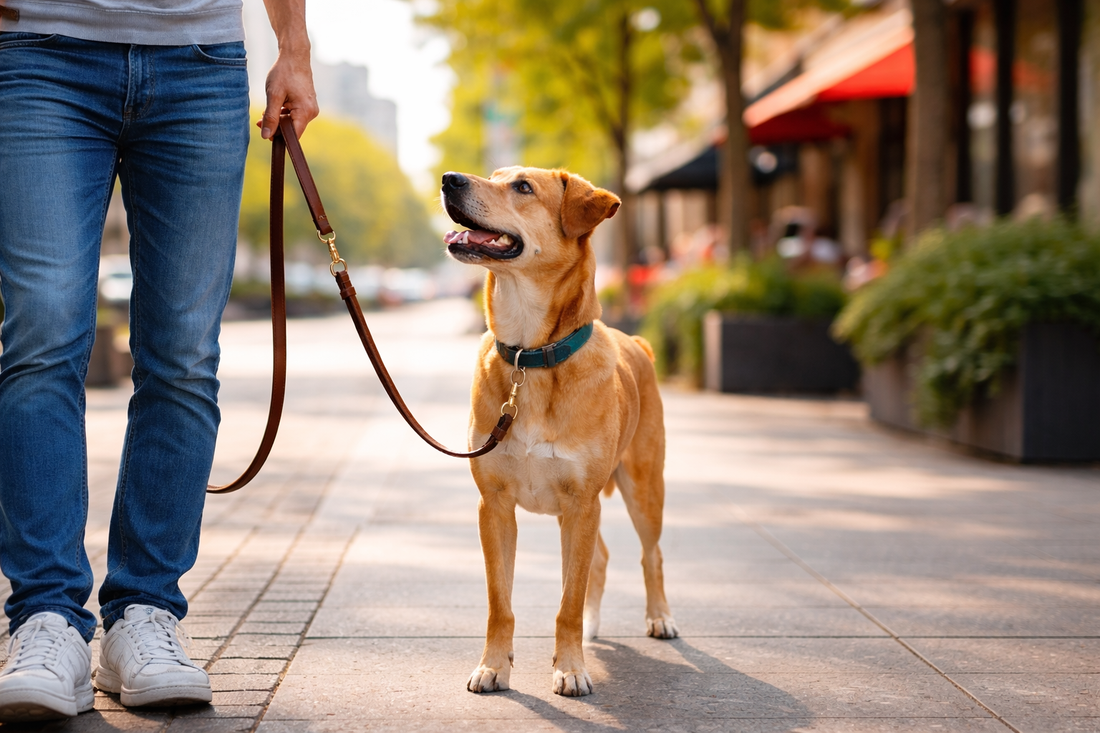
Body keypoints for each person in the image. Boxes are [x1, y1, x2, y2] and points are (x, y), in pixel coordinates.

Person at [0, 0, 317, 721]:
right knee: (42, 334)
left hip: (199, 63)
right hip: (40, 51)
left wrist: (293, 48)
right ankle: (45, 618)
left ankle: (144, 612)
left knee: (182, 353)